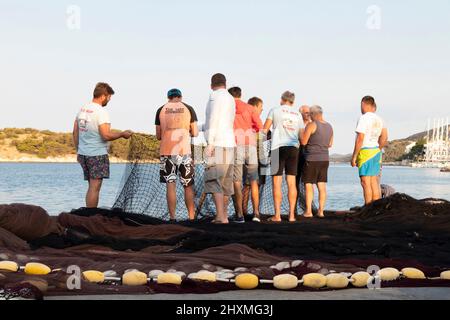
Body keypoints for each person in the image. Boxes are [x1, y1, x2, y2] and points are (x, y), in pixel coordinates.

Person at [73, 82, 133, 208]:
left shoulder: (83, 109)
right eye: (109, 97)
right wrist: (122, 134)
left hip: (83, 154)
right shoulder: (101, 111)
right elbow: (105, 135)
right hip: (97, 155)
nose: (109, 100)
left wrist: (78, 150)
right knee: (95, 188)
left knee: (91, 187)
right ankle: (91, 217)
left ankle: (88, 214)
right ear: (103, 96)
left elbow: (75, 131)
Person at [155, 89, 199, 222]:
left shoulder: (161, 109)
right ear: (180, 97)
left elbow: (158, 135)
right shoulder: (189, 108)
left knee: (170, 185)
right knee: (188, 185)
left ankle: (172, 218)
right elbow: (195, 132)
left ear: (168, 98)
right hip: (184, 151)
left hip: (167, 152)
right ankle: (191, 217)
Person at [263, 91, 303, 222]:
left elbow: (265, 130)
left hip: (277, 148)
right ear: (293, 101)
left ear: (282, 99)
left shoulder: (274, 110)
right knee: (291, 183)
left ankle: (277, 215)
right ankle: (291, 216)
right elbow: (302, 137)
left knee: (277, 183)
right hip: (293, 148)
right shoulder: (298, 114)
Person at [204, 74, 236, 224]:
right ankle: (224, 215)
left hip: (218, 143)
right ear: (225, 83)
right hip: (230, 143)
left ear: (211, 84)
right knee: (226, 183)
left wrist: (210, 142)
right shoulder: (230, 98)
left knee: (214, 180)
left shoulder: (214, 96)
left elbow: (213, 119)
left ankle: (220, 217)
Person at [228, 88, 263, 223]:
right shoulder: (250, 108)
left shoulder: (228, 109)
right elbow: (260, 126)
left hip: (236, 145)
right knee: (254, 180)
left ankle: (240, 214)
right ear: (241, 95)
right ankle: (256, 214)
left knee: (236, 181)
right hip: (251, 145)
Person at [351, 96, 388, 205]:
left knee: (365, 182)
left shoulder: (364, 118)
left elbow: (360, 138)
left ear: (364, 104)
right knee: (374, 182)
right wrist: (378, 149)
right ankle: (375, 209)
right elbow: (384, 137)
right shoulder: (380, 119)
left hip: (365, 151)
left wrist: (354, 156)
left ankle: (368, 207)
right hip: (376, 151)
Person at [300, 106, 334, 218]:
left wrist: (301, 133)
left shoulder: (312, 125)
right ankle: (321, 211)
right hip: (325, 159)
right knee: (322, 186)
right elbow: (330, 144)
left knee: (309, 185)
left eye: (310, 114)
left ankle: (309, 211)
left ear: (314, 114)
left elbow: (304, 142)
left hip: (312, 159)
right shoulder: (329, 126)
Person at [242, 97, 265, 222]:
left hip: (245, 151)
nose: (262, 110)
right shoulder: (254, 117)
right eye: (261, 108)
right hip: (254, 153)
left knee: (246, 185)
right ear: (255, 106)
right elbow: (262, 132)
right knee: (252, 183)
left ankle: (243, 212)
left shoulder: (242, 116)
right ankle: (255, 213)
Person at [295, 105, 312, 215]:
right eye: (305, 112)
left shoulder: (313, 125)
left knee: (308, 183)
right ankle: (294, 208)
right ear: (300, 113)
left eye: (309, 112)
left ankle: (308, 209)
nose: (308, 114)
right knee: (295, 182)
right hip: (297, 154)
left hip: (309, 155)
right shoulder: (297, 124)